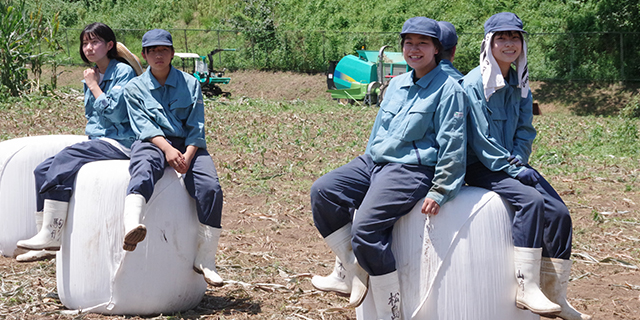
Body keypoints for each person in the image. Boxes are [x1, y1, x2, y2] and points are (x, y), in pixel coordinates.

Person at [310, 17, 467, 320]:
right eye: (409, 43)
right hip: (376, 162)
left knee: (366, 228)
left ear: (437, 49)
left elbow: (453, 143)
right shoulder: (396, 84)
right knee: (324, 191)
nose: (414, 49)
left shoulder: (450, 89)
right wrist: (365, 167)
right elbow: (378, 132)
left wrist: (442, 188)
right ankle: (350, 267)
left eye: (423, 43)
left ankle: (390, 311)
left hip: (410, 168)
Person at [462, 12, 591, 320]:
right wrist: (511, 168)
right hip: (480, 165)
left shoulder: (519, 82)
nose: (510, 43)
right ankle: (526, 285)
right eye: (502, 38)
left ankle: (556, 295)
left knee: (559, 213)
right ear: (489, 43)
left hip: (510, 163)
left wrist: (520, 157)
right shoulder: (473, 84)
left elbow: (525, 128)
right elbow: (479, 140)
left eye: (515, 37)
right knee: (531, 201)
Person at [16, 22, 140, 259]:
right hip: (99, 140)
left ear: (110, 45)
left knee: (65, 158)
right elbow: (92, 117)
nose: (89, 48)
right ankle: (47, 240)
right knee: (42, 169)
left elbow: (116, 114)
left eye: (95, 42)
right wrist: (92, 82)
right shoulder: (92, 73)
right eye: (85, 43)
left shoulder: (122, 72)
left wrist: (94, 86)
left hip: (120, 141)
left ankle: (52, 234)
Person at [121, 29, 224, 287]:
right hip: (152, 143)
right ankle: (132, 226)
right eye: (153, 50)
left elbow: (196, 126)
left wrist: (188, 155)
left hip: (188, 145)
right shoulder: (134, 88)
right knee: (143, 168)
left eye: (164, 50)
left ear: (172, 53)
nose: (159, 55)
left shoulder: (190, 84)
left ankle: (206, 259)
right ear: (144, 55)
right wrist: (166, 149)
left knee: (210, 187)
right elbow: (143, 126)